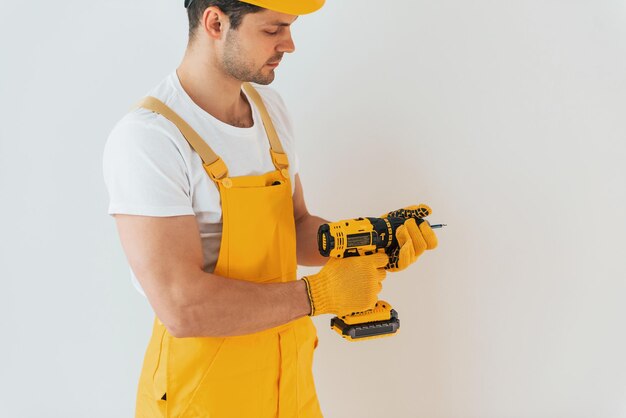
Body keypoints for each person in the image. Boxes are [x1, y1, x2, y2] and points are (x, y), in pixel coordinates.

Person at [102, 1, 438, 416]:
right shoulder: (150, 139)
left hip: (289, 385)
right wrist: (319, 295)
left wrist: (371, 240)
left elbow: (294, 228)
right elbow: (182, 308)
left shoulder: (269, 110)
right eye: (273, 30)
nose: (289, 44)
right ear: (215, 22)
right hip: (203, 396)